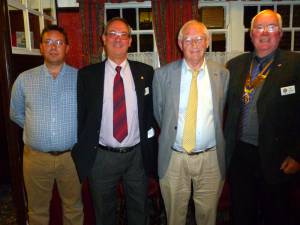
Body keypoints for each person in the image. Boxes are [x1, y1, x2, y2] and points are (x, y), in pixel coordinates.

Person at [71, 17, 157, 225]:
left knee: (139, 210)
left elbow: (151, 113)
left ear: (130, 41)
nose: (118, 39)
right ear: (103, 39)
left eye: (123, 35)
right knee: (104, 212)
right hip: (101, 157)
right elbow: (81, 116)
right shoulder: (87, 75)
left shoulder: (145, 72)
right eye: (112, 34)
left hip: (137, 156)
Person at [225, 9, 300, 225]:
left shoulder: (295, 65)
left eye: (271, 27)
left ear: (281, 33)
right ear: (251, 34)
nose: (264, 33)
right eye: (259, 27)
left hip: (278, 157)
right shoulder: (235, 65)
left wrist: (297, 154)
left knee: (275, 214)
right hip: (240, 155)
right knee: (241, 212)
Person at [153, 20, 229, 225]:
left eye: (199, 39)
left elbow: (222, 112)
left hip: (210, 159)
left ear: (207, 42)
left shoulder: (222, 74)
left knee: (208, 216)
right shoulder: (162, 75)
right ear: (180, 43)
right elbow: (160, 114)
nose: (194, 44)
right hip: (174, 158)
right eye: (188, 39)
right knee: (174, 217)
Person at [10, 25, 83, 225]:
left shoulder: (80, 79)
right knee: (37, 211)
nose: (53, 47)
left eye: (59, 42)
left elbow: (87, 116)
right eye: (48, 42)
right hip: (35, 159)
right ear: (41, 47)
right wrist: (37, 131)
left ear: (67, 48)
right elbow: (15, 113)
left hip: (71, 158)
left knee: (73, 208)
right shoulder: (24, 80)